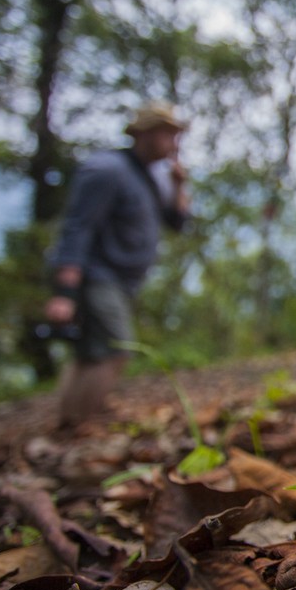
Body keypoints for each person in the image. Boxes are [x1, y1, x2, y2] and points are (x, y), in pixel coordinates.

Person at [44, 102, 191, 425]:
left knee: (89, 353)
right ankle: (77, 426)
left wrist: (179, 185)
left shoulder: (154, 178)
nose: (174, 142)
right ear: (143, 134)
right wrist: (64, 292)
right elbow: (78, 227)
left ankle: (68, 420)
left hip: (123, 281)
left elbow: (178, 223)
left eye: (176, 135)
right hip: (97, 275)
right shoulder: (108, 170)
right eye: (167, 134)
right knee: (115, 350)